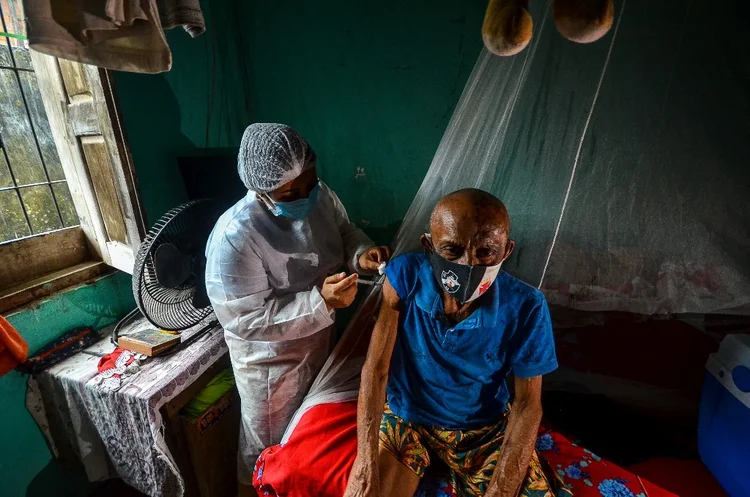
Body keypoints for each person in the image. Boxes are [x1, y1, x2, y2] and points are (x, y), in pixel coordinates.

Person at [205, 123, 391, 496]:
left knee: (305, 441)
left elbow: (344, 231)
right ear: (262, 189)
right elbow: (247, 320)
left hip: (319, 341)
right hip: (270, 365)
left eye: (310, 183)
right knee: (266, 449)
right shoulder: (236, 238)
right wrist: (319, 303)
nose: (305, 196)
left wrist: (362, 255)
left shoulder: (320, 197)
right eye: (291, 193)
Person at [344, 189, 568, 497]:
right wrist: (365, 461)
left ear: (506, 251)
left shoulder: (526, 307)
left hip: (481, 428)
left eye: (486, 252)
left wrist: (501, 490)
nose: (469, 265)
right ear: (428, 246)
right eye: (452, 251)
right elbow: (377, 367)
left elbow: (528, 404)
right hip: (408, 416)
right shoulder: (406, 277)